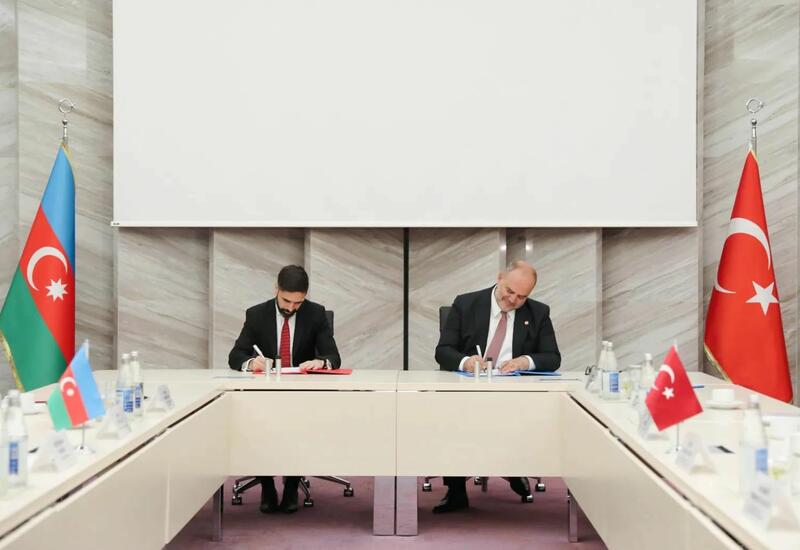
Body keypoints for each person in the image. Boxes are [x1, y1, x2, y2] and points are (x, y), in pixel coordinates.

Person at [433, 260, 561, 513]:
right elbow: (443, 351)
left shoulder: (538, 312)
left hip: (512, 392)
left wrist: (524, 361)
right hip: (467, 389)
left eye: (522, 297)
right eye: (509, 291)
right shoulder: (466, 304)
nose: (513, 300)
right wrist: (467, 362)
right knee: (453, 416)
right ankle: (456, 490)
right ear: (500, 278)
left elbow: (553, 357)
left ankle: (513, 467)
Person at [229, 265, 341, 514]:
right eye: (286, 301)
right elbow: (235, 355)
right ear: (276, 290)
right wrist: (251, 363)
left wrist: (321, 362)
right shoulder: (256, 314)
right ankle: (267, 486)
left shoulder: (316, 314)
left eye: (297, 303)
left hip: (300, 394)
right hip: (265, 393)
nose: (291, 308)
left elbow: (333, 356)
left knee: (297, 424)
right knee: (258, 427)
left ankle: (291, 485)